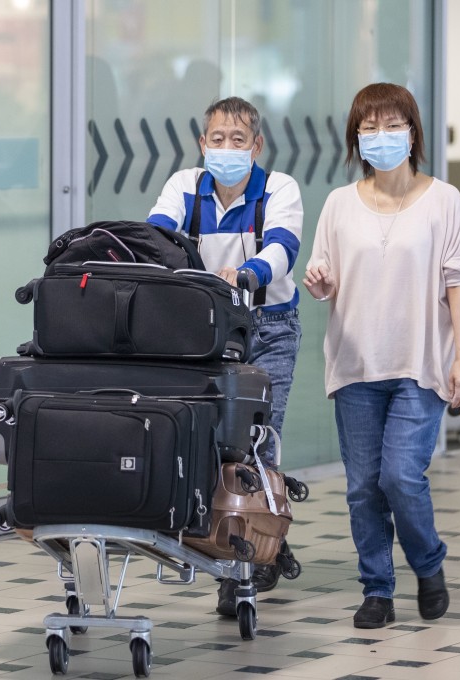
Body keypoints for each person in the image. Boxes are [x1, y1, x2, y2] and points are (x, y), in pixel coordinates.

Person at [303, 82, 460, 629]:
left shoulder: (444, 200)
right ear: (357, 138)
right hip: (355, 365)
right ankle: (377, 588)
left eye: (391, 125)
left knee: (401, 477)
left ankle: (428, 564)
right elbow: (325, 279)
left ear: (412, 133)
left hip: (420, 363)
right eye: (369, 127)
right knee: (361, 488)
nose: (381, 136)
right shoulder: (337, 203)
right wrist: (319, 281)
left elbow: (458, 285)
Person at [147, 96, 304, 615]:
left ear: (255, 146)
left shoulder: (278, 188)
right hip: (205, 332)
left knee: (258, 442)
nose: (227, 149)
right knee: (214, 443)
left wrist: (247, 274)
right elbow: (157, 240)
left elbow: (282, 248)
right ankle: (235, 543)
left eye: (238, 141)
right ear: (202, 143)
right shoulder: (184, 187)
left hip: (268, 328)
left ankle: (255, 553)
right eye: (217, 139)